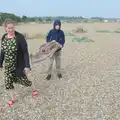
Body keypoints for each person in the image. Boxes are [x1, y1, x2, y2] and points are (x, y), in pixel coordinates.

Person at [0, 19, 38, 106]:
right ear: (5, 28)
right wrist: (0, 63)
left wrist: (27, 65)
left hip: (18, 64)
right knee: (8, 82)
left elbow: (25, 52)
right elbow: (2, 51)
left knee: (25, 81)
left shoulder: (19, 37)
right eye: (9, 28)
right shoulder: (4, 38)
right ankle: (12, 99)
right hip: (8, 66)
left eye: (12, 28)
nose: (11, 30)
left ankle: (34, 89)